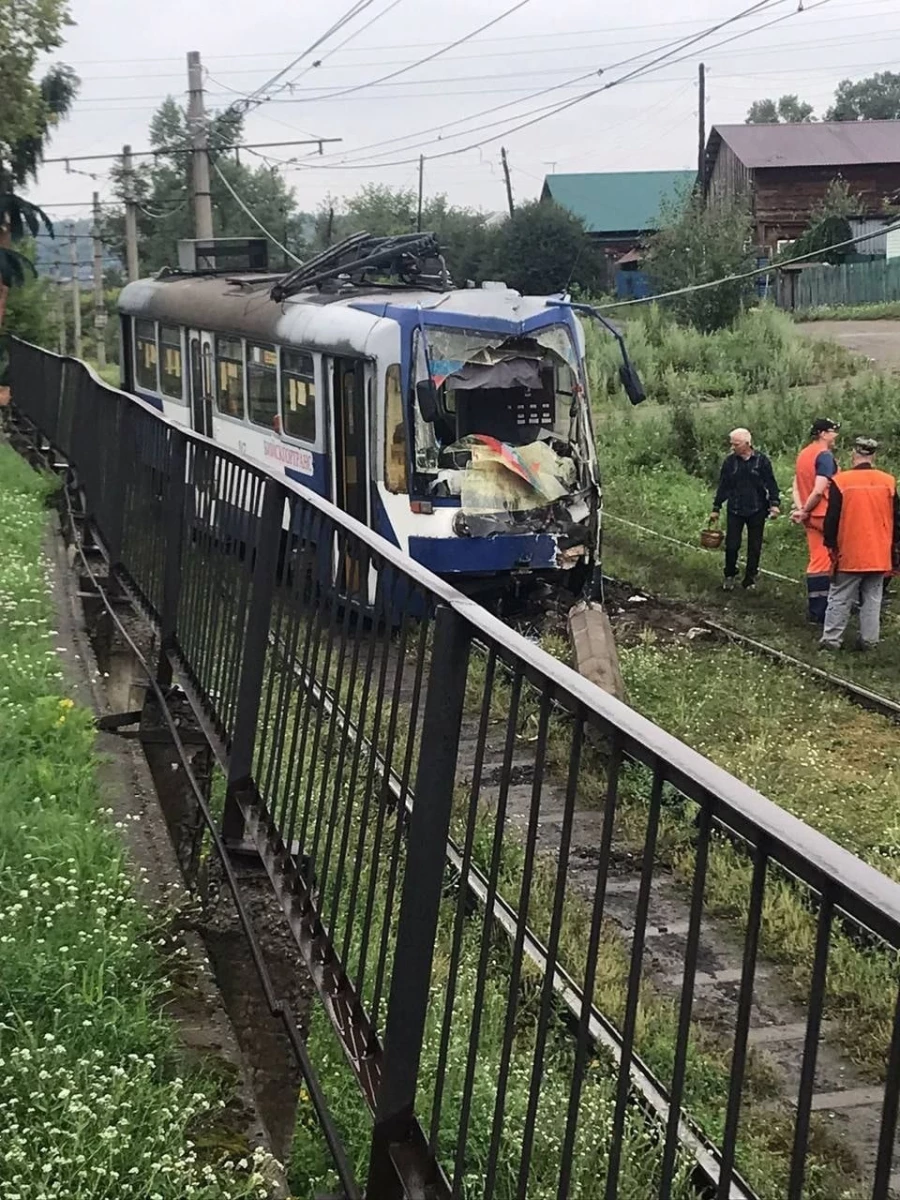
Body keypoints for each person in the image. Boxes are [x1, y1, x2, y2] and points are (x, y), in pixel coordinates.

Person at [820, 437, 900, 651]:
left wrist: (829, 543)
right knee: (873, 599)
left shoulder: (841, 481)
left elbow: (832, 519)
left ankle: (831, 640)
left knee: (840, 597)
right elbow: (897, 518)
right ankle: (869, 641)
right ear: (873, 456)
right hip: (879, 553)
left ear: (853, 454)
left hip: (850, 552)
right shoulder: (888, 481)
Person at [710, 428, 781, 591]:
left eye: (736, 444)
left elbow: (771, 484)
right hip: (735, 508)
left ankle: (750, 579)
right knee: (732, 545)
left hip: (757, 509)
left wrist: (774, 504)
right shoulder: (729, 462)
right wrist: (716, 507)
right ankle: (729, 574)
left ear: (747, 444)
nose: (732, 447)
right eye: (731, 444)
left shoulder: (762, 461)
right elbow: (723, 485)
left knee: (754, 546)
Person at [790, 418, 840, 624]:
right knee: (835, 559)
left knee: (817, 559)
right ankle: (829, 608)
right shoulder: (824, 456)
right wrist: (807, 509)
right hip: (825, 515)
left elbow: (795, 486)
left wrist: (801, 509)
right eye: (833, 431)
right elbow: (819, 489)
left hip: (810, 517)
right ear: (823, 434)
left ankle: (816, 609)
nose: (835, 435)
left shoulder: (804, 454)